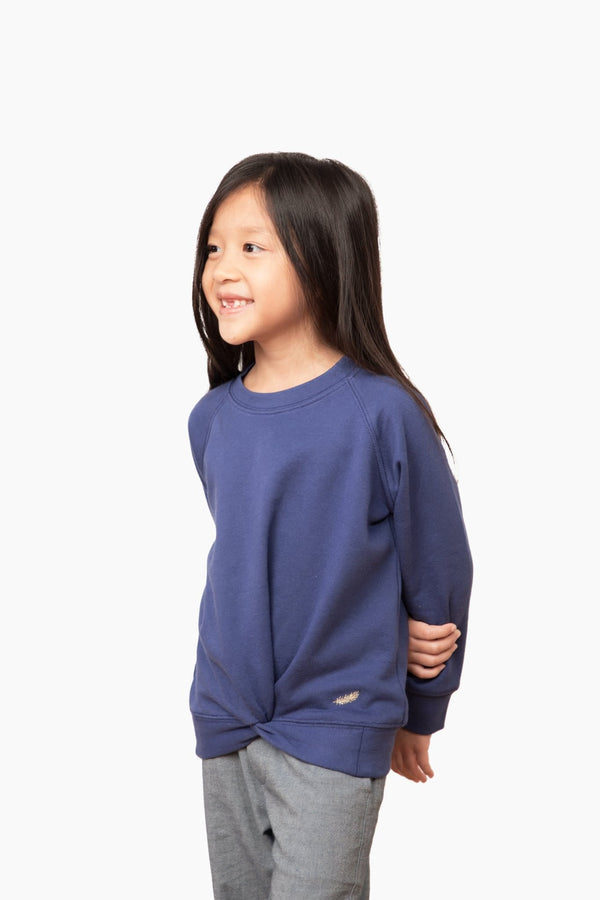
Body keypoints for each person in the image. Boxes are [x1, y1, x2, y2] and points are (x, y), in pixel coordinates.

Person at [187, 152, 473, 899]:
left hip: (334, 721)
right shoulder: (211, 420)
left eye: (252, 246)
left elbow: (439, 571)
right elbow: (267, 564)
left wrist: (422, 705)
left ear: (321, 257)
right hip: (226, 721)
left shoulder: (382, 414)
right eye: (213, 247)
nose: (222, 268)